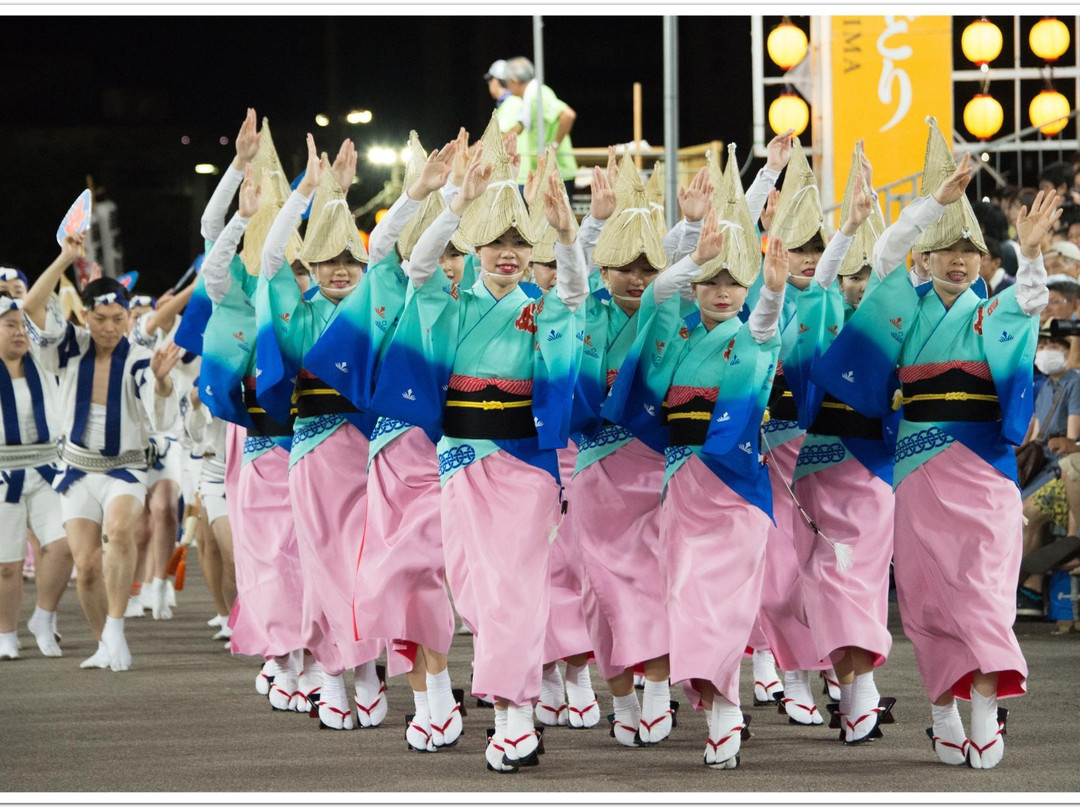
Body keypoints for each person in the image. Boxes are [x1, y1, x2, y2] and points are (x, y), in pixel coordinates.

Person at [815, 117, 1062, 769]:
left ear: (983, 260)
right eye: (942, 249)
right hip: (918, 474)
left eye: (967, 251)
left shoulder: (995, 310)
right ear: (924, 258)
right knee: (926, 601)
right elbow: (883, 255)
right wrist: (934, 205)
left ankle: (984, 714)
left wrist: (1032, 255)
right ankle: (944, 713)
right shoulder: (906, 305)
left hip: (984, 473)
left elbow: (1031, 303)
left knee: (980, 594)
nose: (956, 260)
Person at [368, 115, 587, 772]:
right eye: (492, 241)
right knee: (471, 588)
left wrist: (571, 238)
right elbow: (415, 264)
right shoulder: (449, 299)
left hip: (525, 462)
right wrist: (453, 202)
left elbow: (574, 290)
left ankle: (513, 716)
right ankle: (496, 706)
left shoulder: (541, 304)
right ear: (476, 245)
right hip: (459, 460)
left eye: (520, 239)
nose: (507, 250)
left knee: (511, 587)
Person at [603, 143, 786, 770]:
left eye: (736, 281)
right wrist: (696, 246)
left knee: (723, 603)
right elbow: (657, 293)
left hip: (736, 489)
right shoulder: (674, 331)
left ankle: (729, 711)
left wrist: (774, 286)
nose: (724, 291)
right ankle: (716, 708)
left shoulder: (757, 331)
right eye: (712, 281)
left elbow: (764, 325)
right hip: (681, 485)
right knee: (684, 599)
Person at [304, 130, 469, 750]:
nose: (448, 262)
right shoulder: (399, 285)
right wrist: (426, 197)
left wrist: (453, 205)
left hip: (456, 455)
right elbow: (392, 258)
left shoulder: (483, 300)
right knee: (399, 580)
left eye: (460, 251)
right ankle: (432, 701)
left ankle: (447, 699)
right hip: (390, 454)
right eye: (441, 251)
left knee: (420, 572)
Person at [782, 143, 898, 744]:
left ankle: (860, 693)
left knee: (850, 576)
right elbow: (817, 281)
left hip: (872, 469)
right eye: (847, 273)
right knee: (794, 578)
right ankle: (808, 675)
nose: (856, 284)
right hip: (806, 466)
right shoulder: (808, 308)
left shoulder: (898, 320)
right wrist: (847, 228)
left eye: (866, 274)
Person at [23, 235, 181, 672]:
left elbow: (161, 415)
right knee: (87, 566)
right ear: (86, 316)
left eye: (119, 318)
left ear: (130, 318)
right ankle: (103, 640)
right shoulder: (69, 345)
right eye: (101, 318)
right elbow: (32, 309)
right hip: (75, 468)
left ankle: (116, 626)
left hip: (126, 467)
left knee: (121, 531)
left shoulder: (140, 357)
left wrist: (165, 382)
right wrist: (64, 258)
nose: (110, 327)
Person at [0, 295, 73, 660]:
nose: (18, 331)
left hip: (46, 465)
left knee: (63, 545)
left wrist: (63, 259)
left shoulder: (43, 361)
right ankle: (5, 633)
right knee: (7, 566)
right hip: (2, 470)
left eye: (20, 325)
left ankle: (44, 618)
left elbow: (42, 309)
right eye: (9, 325)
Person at [1019, 330, 1080, 616]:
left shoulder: (1074, 383)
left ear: (1069, 350)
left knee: (1026, 514)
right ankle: (1030, 587)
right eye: (1042, 344)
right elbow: (1033, 434)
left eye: (1053, 344)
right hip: (1043, 466)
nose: (1045, 350)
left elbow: (1070, 441)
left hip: (1063, 468)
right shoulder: (1045, 385)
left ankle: (1023, 587)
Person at [504, 56, 578, 199]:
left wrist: (554, 145)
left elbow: (568, 115)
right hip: (546, 171)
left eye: (507, 84)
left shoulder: (538, 94)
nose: (507, 89)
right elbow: (520, 126)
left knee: (555, 220)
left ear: (514, 81)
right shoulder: (529, 97)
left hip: (558, 172)